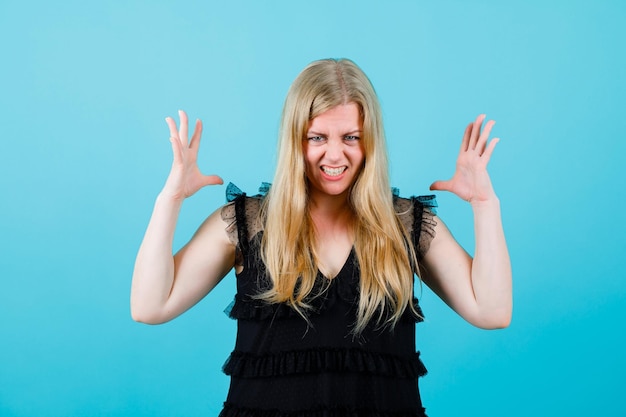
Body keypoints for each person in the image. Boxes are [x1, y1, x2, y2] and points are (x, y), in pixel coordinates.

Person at [131, 58, 512, 417]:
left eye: (351, 137)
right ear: (294, 139)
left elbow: (492, 312)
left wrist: (484, 203)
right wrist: (171, 199)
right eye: (317, 137)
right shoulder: (247, 223)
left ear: (371, 142)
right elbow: (150, 306)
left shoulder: (406, 224)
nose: (335, 154)